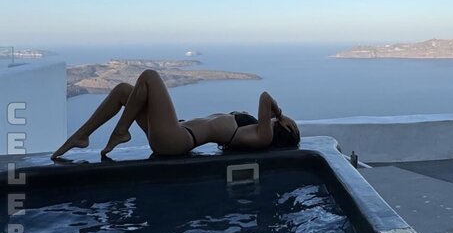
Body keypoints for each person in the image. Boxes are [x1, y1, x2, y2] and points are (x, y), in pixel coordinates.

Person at [51, 69, 300, 159]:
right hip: (174, 133)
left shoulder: (264, 136)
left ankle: (121, 130)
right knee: (124, 90)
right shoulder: (256, 131)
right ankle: (81, 136)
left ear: (285, 130)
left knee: (150, 76)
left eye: (292, 124)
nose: (289, 120)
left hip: (176, 140)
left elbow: (265, 97)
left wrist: (279, 114)